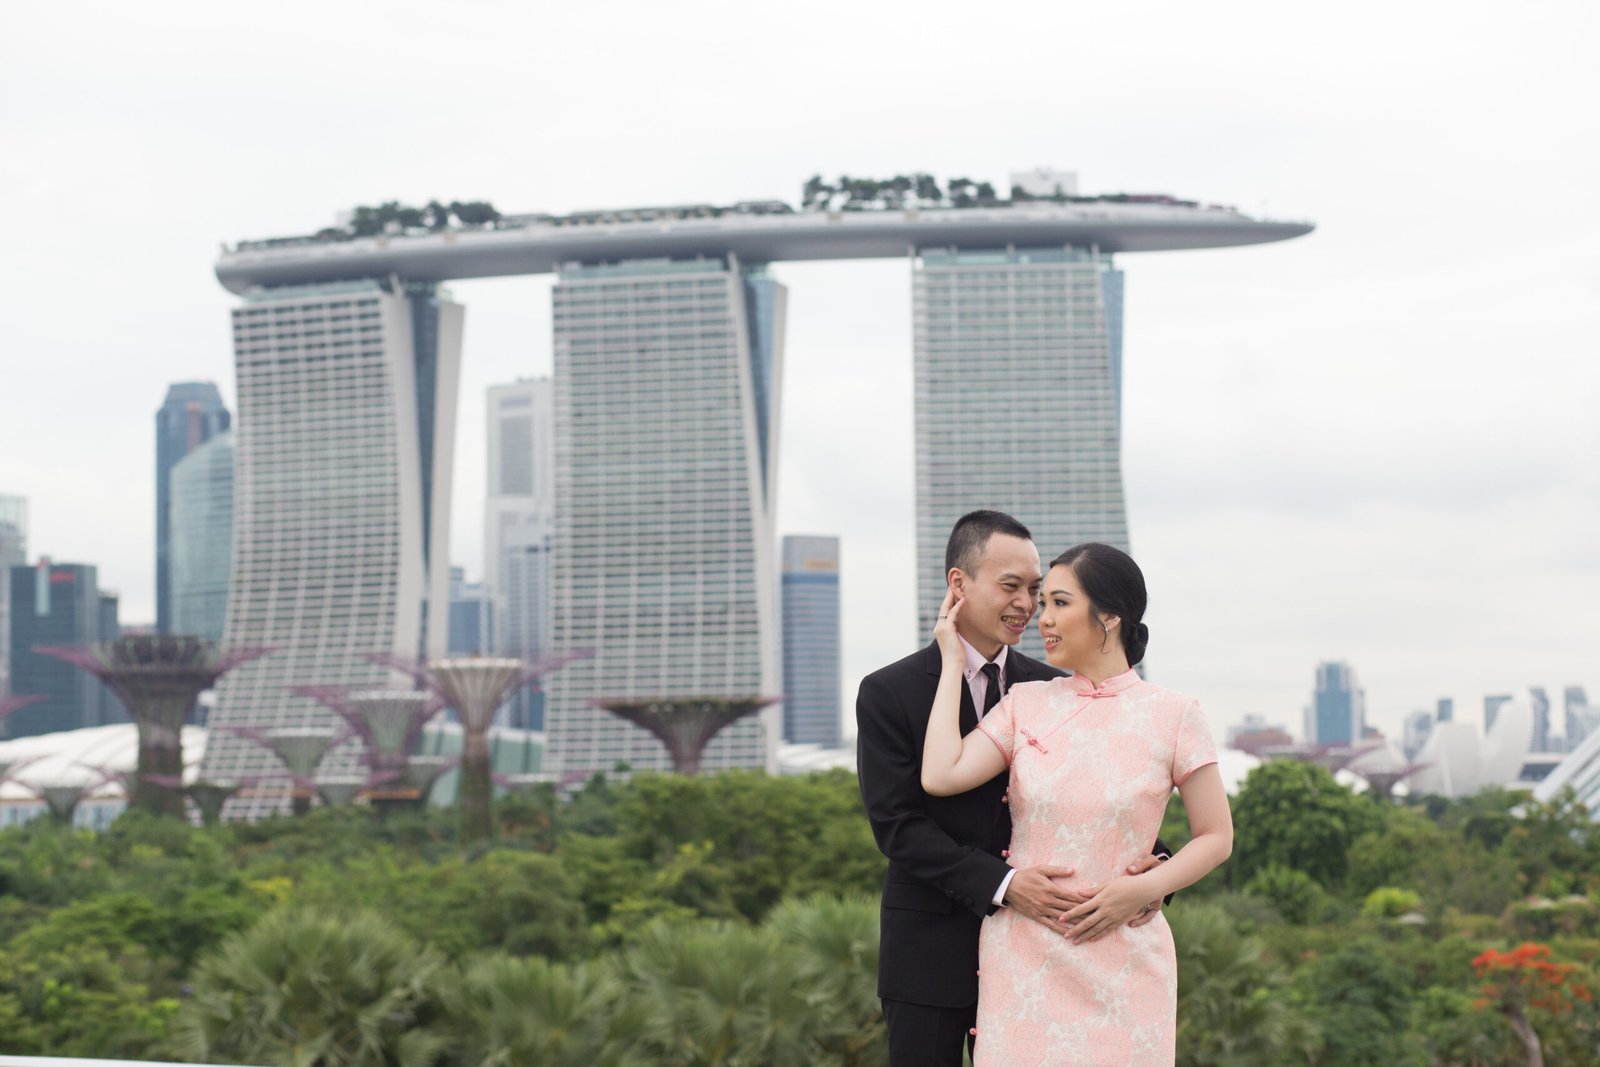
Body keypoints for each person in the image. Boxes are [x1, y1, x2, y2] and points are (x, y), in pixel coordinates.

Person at [856, 512, 1170, 1067]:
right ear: (958, 584)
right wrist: (1005, 884)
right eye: (1011, 587)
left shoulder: (1057, 685)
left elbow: (1104, 797)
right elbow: (898, 827)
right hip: (929, 955)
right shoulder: (888, 691)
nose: (1027, 605)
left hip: (1046, 959)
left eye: (1035, 590)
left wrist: (1156, 872)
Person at [921, 541, 1233, 1066]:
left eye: (1059, 603)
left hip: (1128, 959)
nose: (1041, 617)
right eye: (1043, 603)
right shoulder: (1025, 703)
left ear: (1110, 615)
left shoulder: (1175, 714)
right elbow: (940, 775)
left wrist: (1145, 887)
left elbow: (1216, 837)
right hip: (1024, 957)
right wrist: (952, 660)